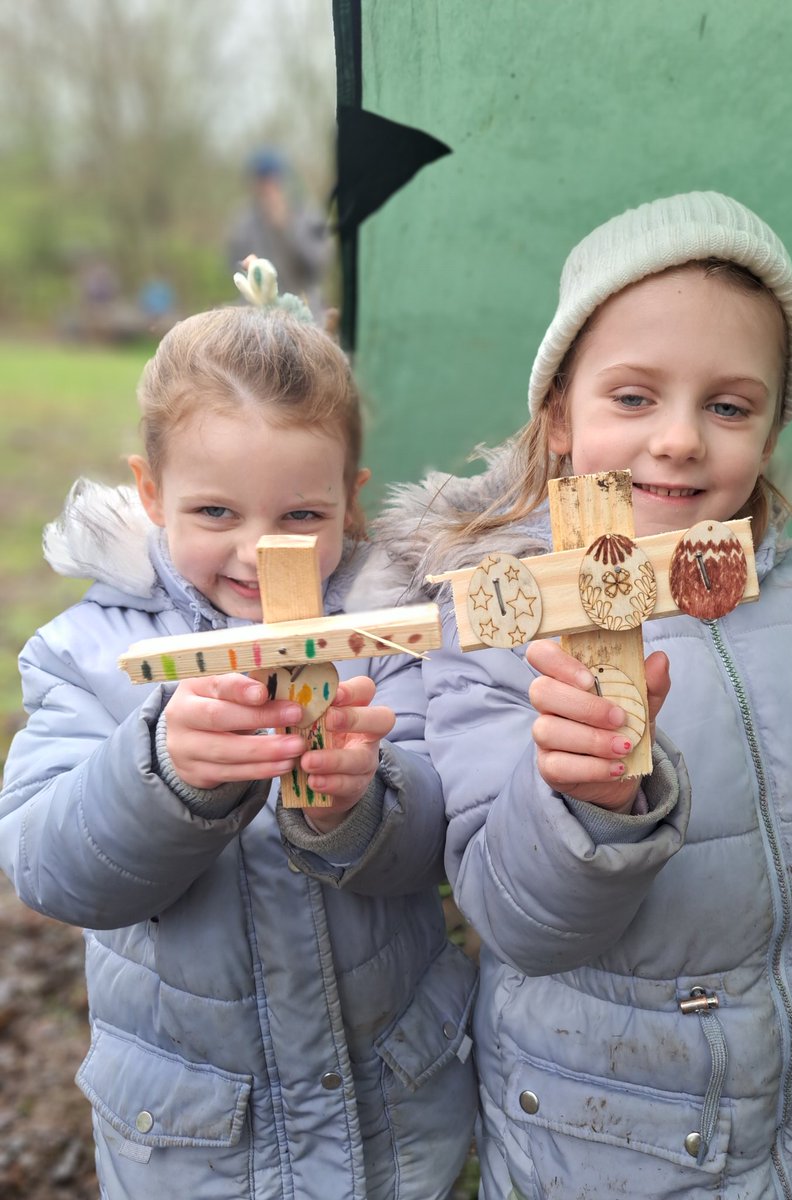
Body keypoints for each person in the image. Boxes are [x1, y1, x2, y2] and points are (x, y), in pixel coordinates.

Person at [371, 192, 792, 1198]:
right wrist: (587, 806)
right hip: (591, 1146)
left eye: (729, 406)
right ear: (559, 418)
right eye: (633, 397)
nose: (680, 439)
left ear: (771, 432)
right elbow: (516, 920)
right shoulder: (499, 614)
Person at [0, 261, 477, 1199]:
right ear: (151, 491)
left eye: (301, 515)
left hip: (392, 1109)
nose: (262, 551)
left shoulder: (386, 634)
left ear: (350, 498)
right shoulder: (85, 654)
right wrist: (161, 774)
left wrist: (360, 807)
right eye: (216, 512)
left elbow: (441, 840)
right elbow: (48, 868)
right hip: (197, 1138)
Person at [227, 148, 332, 318]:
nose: (267, 188)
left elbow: (318, 265)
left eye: (272, 180)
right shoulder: (244, 222)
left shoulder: (307, 214)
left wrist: (286, 227)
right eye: (261, 181)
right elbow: (234, 265)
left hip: (304, 310)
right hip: (258, 314)